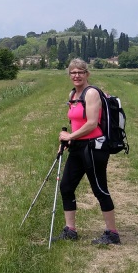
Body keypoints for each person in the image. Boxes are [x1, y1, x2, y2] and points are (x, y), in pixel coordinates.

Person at [55, 59, 121, 245]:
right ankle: (70, 230)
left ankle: (112, 234)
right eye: (73, 72)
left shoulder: (91, 93)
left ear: (87, 74)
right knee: (66, 187)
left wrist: (70, 136)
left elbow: (91, 124)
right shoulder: (73, 94)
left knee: (99, 189)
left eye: (80, 72)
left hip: (93, 147)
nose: (76, 75)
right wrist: (68, 140)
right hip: (77, 146)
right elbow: (76, 122)